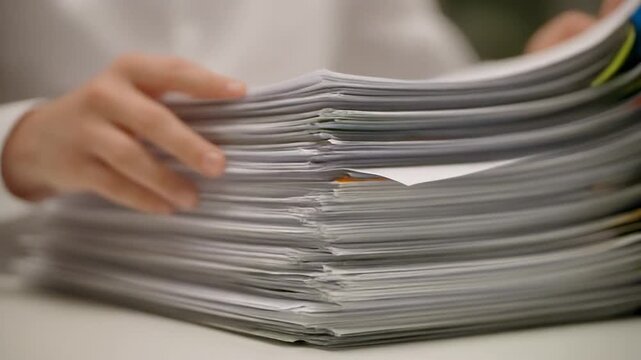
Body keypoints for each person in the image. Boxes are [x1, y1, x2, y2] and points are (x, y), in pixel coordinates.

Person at [0, 0, 622, 221]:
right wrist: (19, 142)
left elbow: (418, 89)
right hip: (40, 292)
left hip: (311, 294)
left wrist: (541, 92)